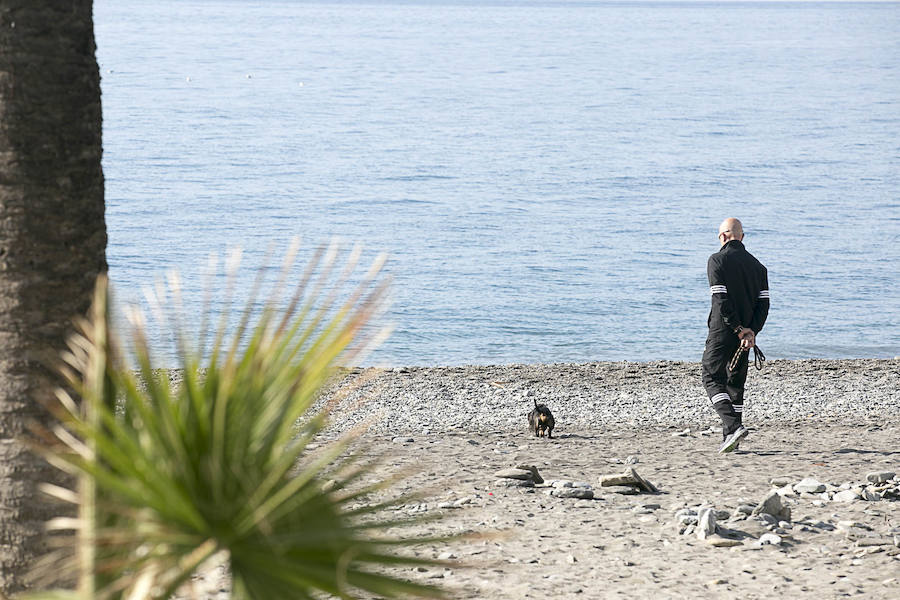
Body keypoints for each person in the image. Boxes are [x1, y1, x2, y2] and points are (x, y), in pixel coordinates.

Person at [702, 218, 769, 453]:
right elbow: (764, 305)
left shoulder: (716, 260)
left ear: (722, 237)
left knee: (711, 378)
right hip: (746, 335)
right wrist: (751, 331)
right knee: (735, 384)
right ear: (742, 237)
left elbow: (721, 301)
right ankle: (731, 437)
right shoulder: (758, 267)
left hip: (723, 331)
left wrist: (737, 328)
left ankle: (733, 426)